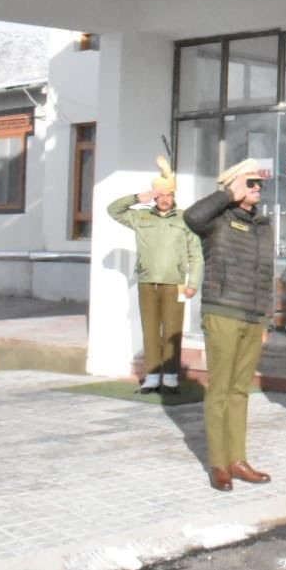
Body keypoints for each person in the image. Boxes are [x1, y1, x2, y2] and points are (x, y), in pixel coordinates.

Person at [184, 159, 277, 492]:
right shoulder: (217, 219)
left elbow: (267, 274)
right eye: (250, 182)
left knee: (241, 391)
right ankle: (219, 464)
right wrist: (226, 195)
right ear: (234, 185)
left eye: (259, 184)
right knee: (221, 389)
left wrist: (266, 317)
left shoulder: (263, 224)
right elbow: (191, 216)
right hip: (223, 310)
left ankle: (238, 459)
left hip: (252, 315)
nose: (257, 188)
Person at [106, 156, 203, 395]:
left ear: (174, 196)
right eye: (159, 195)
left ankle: (170, 376)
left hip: (175, 283)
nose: (164, 199)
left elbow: (196, 254)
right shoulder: (141, 217)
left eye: (168, 195)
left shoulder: (185, 219)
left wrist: (193, 283)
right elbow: (113, 210)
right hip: (147, 282)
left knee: (172, 330)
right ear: (155, 196)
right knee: (149, 329)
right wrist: (138, 198)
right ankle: (151, 376)